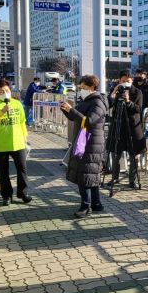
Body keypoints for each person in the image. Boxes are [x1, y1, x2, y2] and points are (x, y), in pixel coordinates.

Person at [60, 75, 108, 217]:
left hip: (91, 143)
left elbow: (90, 121)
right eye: (80, 88)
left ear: (92, 87)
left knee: (85, 176)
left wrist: (73, 111)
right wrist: (66, 110)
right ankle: (96, 204)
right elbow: (76, 117)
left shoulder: (98, 102)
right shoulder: (87, 100)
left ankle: (86, 206)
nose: (81, 90)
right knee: (90, 175)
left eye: (84, 88)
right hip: (85, 141)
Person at [0, 79, 31, 206]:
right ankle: (6, 195)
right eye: (1, 91)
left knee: (22, 169)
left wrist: (25, 138)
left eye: (7, 91)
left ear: (10, 91)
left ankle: (23, 193)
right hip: (0, 144)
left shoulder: (17, 104)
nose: (4, 93)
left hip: (18, 143)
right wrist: (2, 111)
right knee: (3, 171)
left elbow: (22, 121)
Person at [107, 70, 145, 189]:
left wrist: (128, 101)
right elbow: (109, 104)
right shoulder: (117, 91)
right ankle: (115, 177)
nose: (125, 84)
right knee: (116, 153)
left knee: (133, 155)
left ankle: (132, 180)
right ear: (119, 81)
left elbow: (138, 109)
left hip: (132, 127)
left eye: (128, 81)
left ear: (132, 81)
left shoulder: (137, 92)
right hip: (118, 125)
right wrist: (114, 91)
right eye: (123, 81)